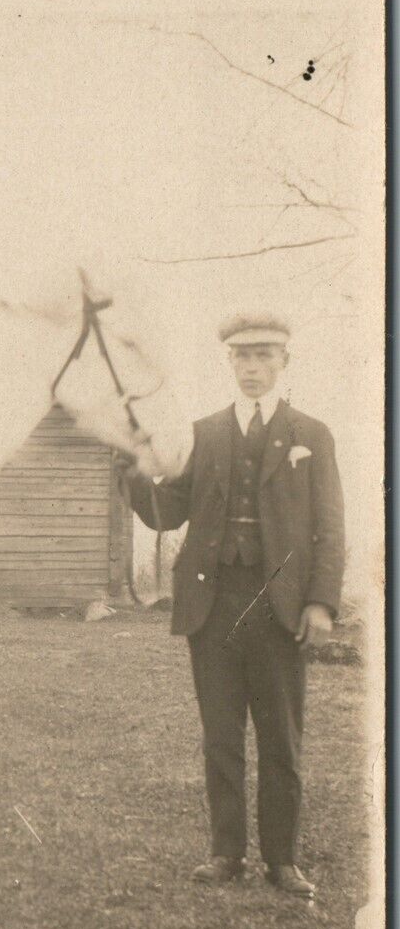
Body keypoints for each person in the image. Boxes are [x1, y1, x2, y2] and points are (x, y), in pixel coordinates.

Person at [122, 312, 345, 899]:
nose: (252, 368)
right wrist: (135, 470)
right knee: (220, 735)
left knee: (281, 737)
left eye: (264, 357)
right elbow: (167, 512)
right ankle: (225, 853)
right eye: (242, 358)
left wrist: (320, 602)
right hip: (213, 605)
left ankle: (282, 860)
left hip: (280, 607)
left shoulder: (311, 436)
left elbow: (330, 527)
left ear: (283, 363)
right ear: (230, 363)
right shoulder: (203, 433)